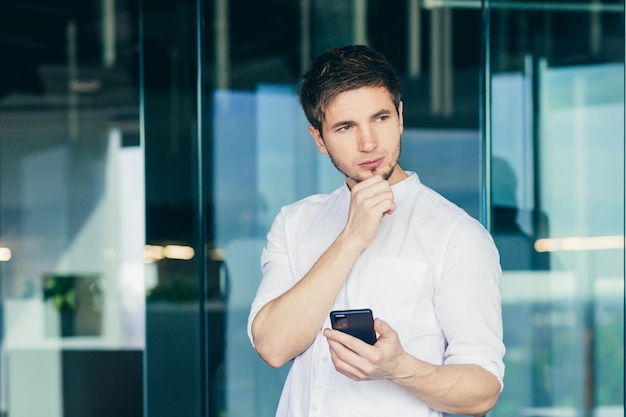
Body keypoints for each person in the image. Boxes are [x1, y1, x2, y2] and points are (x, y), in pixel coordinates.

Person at [247, 44, 505, 417]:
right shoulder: (296, 221)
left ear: (400, 116)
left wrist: (399, 367)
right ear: (319, 139)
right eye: (345, 127)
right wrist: (351, 238)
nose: (369, 143)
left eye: (380, 118)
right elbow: (272, 345)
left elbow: (483, 391)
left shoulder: (456, 234)